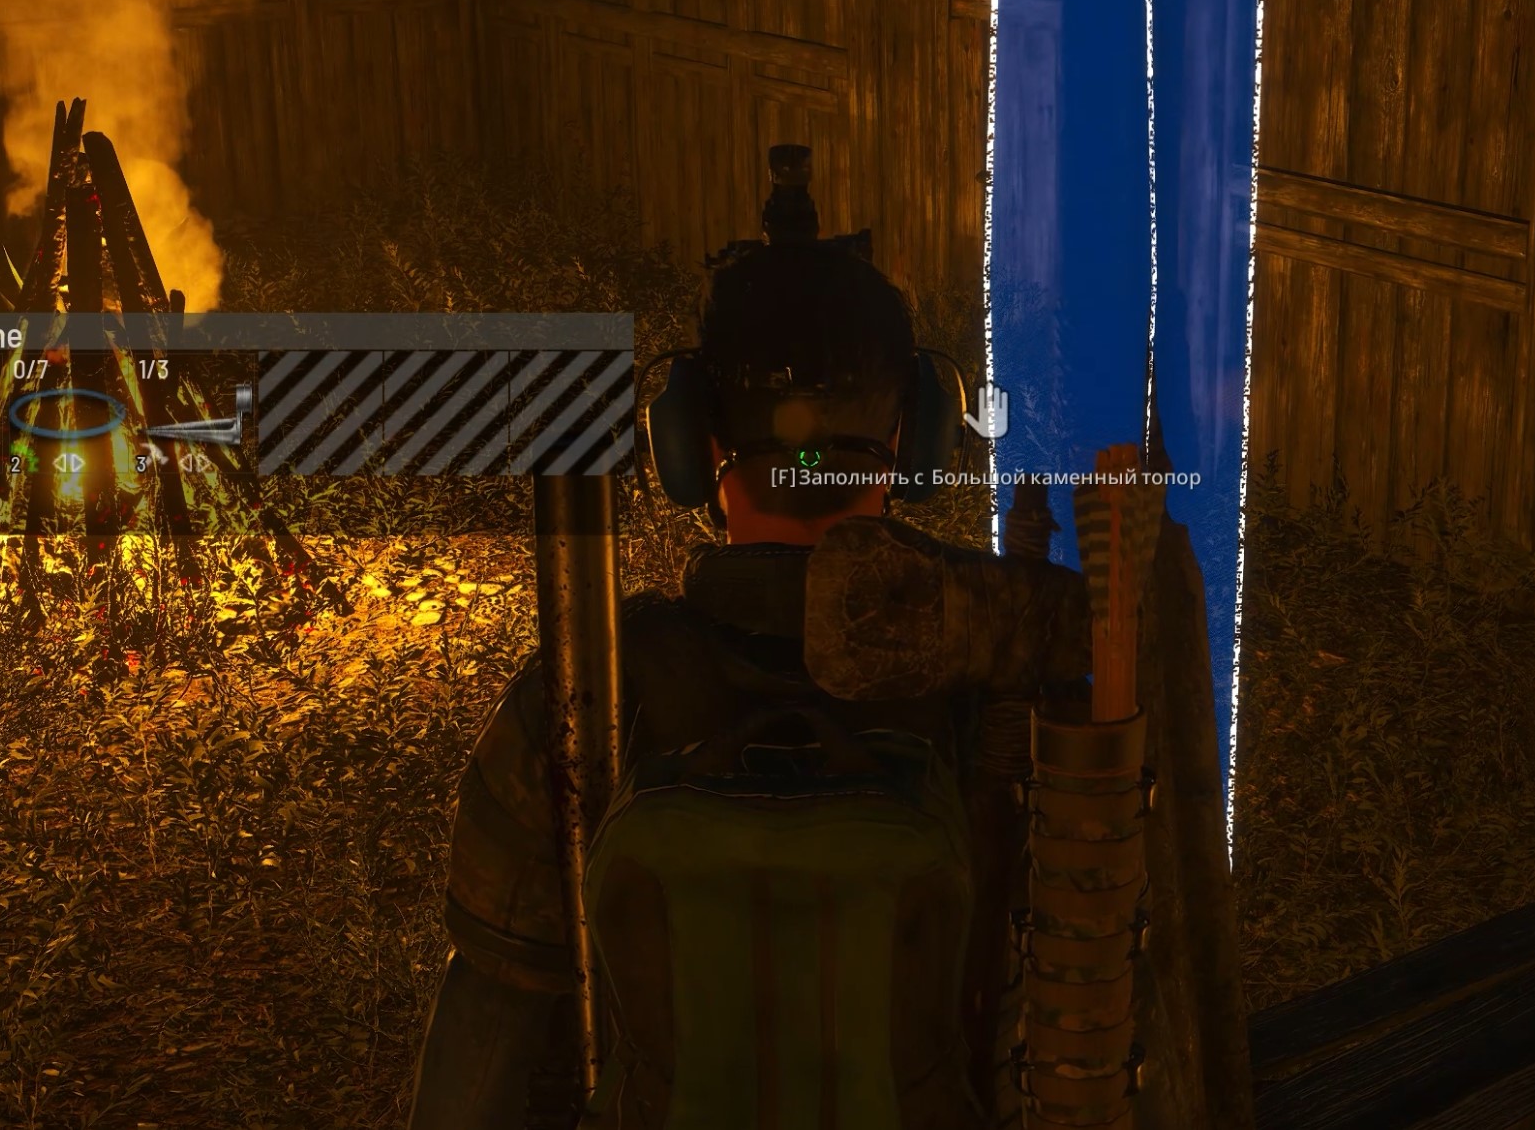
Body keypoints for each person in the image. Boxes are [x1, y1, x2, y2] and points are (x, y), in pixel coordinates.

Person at [407, 150, 1094, 1129]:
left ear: (690, 444)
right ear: (919, 437)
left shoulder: (591, 684)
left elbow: (485, 1041)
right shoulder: (1004, 672)